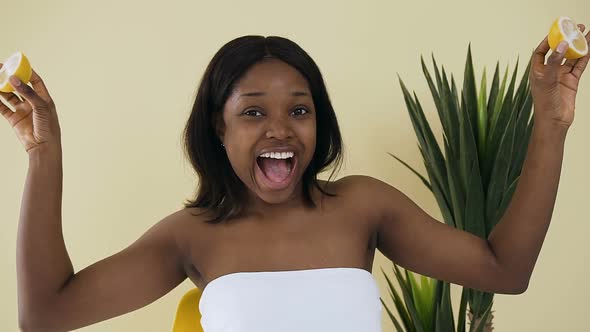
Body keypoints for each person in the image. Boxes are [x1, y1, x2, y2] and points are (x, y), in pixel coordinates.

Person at [2, 30, 587, 331]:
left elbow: (504, 271)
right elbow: (46, 315)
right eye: (253, 112)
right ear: (218, 127)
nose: (280, 131)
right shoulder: (191, 235)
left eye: (299, 111)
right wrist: (43, 151)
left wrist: (552, 124)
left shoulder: (363, 206)